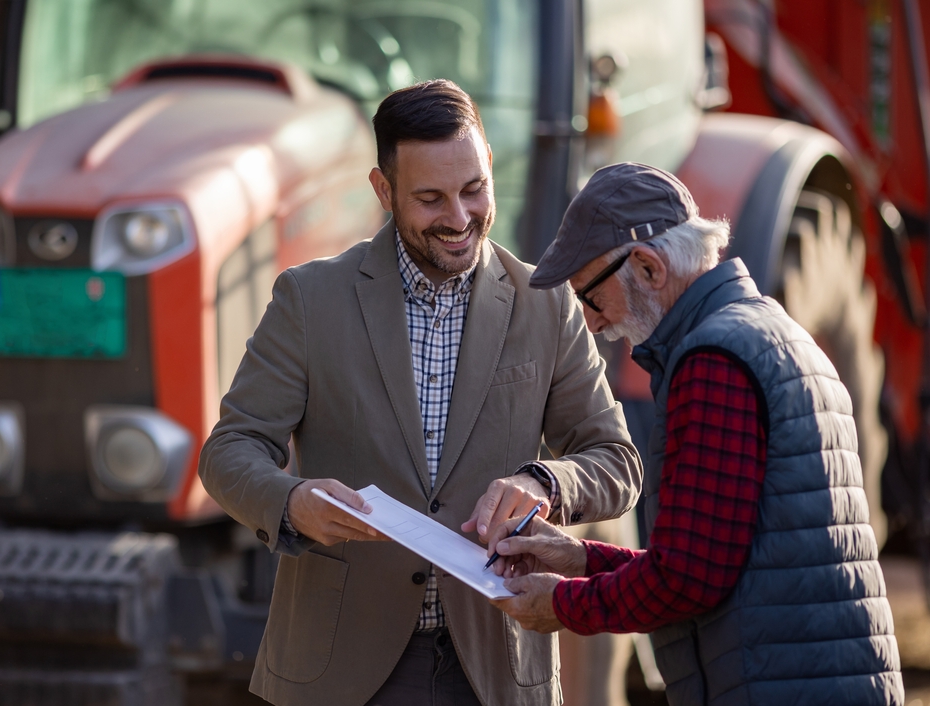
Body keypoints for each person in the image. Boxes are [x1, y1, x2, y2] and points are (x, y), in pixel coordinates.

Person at [198, 80, 642, 706]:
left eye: (474, 189)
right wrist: (292, 502)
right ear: (383, 191)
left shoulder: (548, 306)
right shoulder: (309, 299)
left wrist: (544, 482)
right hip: (339, 670)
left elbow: (617, 462)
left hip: (494, 666)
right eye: (431, 199)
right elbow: (229, 451)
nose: (459, 219)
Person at [486, 162, 904, 705]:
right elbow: (710, 556)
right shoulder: (774, 335)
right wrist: (579, 558)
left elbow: (688, 579)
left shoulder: (713, 362)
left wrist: (561, 605)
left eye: (591, 296)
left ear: (648, 267)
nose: (592, 322)